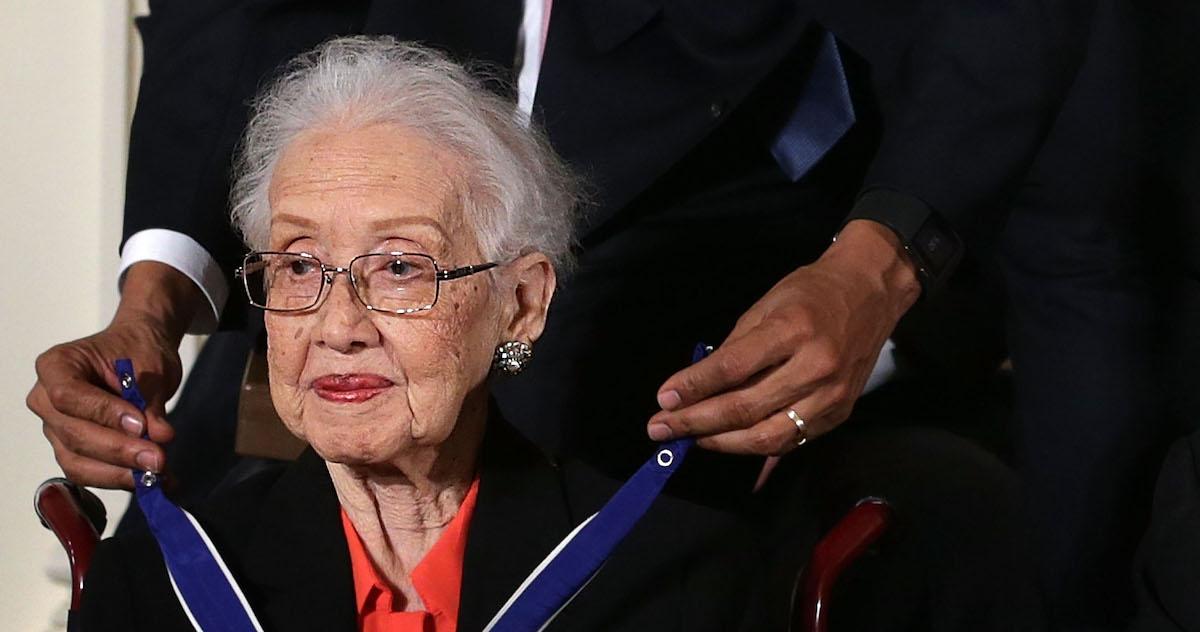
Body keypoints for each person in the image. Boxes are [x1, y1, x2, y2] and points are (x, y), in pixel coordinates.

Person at [80, 39, 767, 631]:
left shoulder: (681, 585)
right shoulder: (150, 593)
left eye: (402, 266)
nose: (339, 327)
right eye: (298, 265)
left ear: (522, 302)